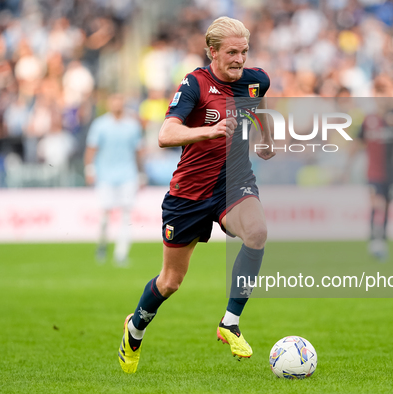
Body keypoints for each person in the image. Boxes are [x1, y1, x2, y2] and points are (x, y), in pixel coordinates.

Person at [118, 16, 275, 373]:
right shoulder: (194, 84)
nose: (239, 59)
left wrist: (264, 138)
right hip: (189, 194)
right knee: (170, 282)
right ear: (213, 52)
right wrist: (210, 131)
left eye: (244, 52)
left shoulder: (256, 80)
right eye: (232, 52)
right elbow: (165, 134)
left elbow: (258, 104)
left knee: (257, 233)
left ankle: (230, 322)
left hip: (233, 182)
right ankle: (135, 329)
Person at [344, 76, 393, 260]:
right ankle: (374, 237)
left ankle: (382, 236)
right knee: (376, 202)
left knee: (388, 205)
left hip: (392, 170)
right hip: (373, 171)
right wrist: (347, 166)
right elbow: (358, 144)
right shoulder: (368, 120)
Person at [84, 93, 144, 265]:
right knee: (104, 215)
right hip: (105, 175)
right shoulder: (100, 124)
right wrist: (89, 169)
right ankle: (102, 245)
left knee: (126, 215)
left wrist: (141, 173)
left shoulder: (132, 125)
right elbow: (91, 148)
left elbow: (138, 150)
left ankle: (121, 254)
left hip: (128, 175)